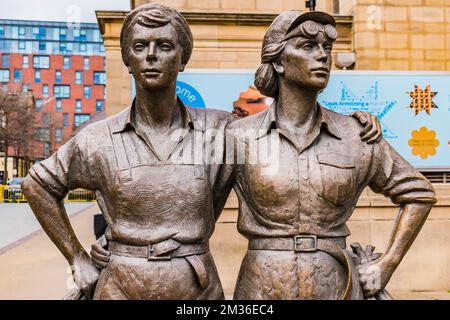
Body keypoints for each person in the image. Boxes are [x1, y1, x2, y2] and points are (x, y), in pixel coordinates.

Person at [23, 4, 381, 300]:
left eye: (164, 46)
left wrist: (352, 123)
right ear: (127, 60)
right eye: (140, 46)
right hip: (121, 286)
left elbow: (282, 127)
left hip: (196, 288)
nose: (151, 56)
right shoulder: (97, 139)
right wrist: (77, 258)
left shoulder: (221, 130)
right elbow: (38, 185)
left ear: (182, 59)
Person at [226, 11, 437, 300]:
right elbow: (198, 206)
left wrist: (387, 263)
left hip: (335, 283)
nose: (323, 56)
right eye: (308, 46)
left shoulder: (356, 135)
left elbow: (419, 193)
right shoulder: (239, 136)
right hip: (262, 285)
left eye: (327, 48)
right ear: (277, 61)